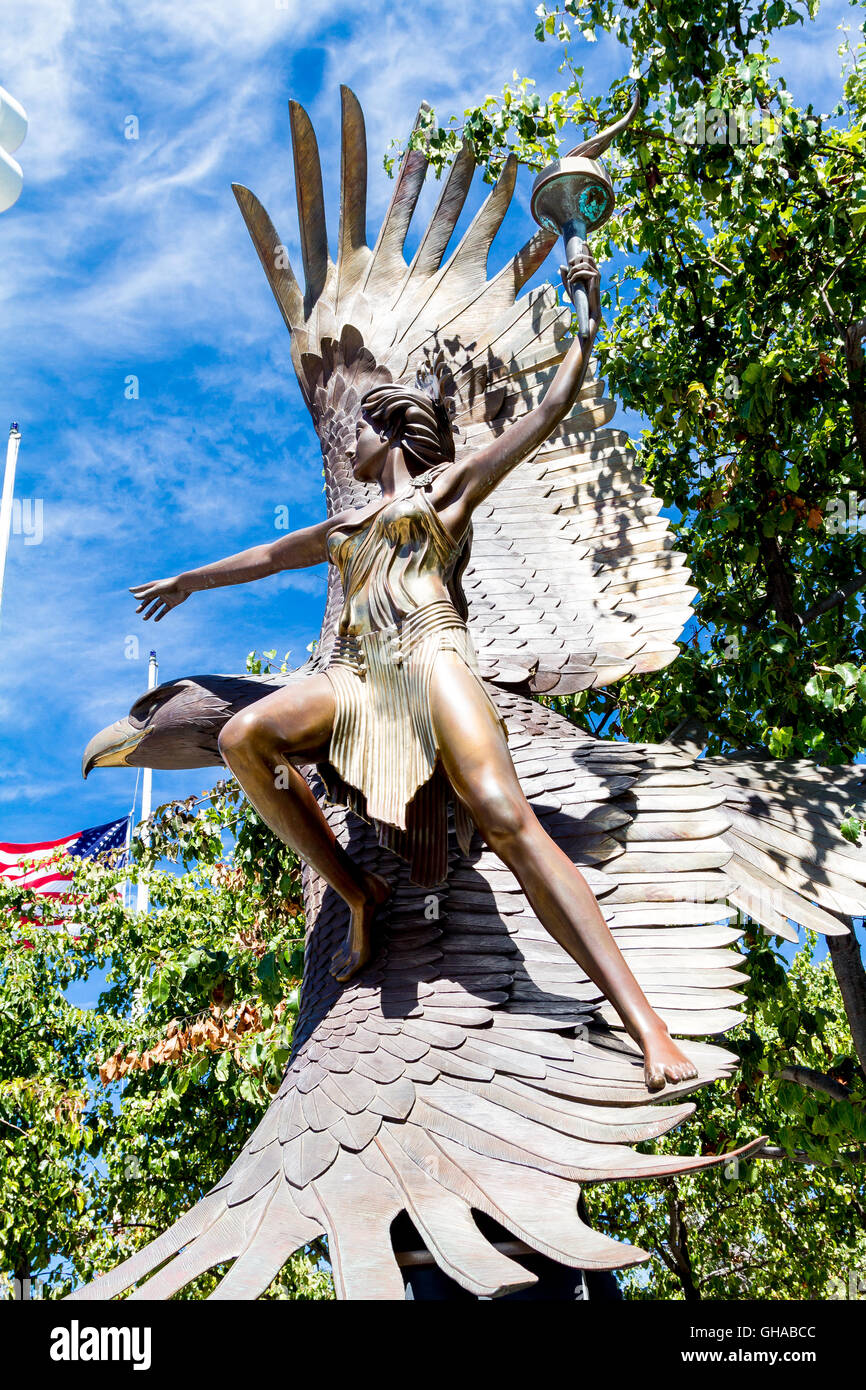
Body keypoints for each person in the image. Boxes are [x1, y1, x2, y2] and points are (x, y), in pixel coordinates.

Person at [130, 253, 697, 1092]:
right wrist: (188, 580)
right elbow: (263, 556)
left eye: (360, 427)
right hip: (357, 679)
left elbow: (549, 409)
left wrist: (584, 309)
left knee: (506, 817)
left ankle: (646, 1027)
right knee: (246, 734)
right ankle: (358, 892)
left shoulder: (444, 496)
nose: (351, 439)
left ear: (391, 433)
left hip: (433, 657)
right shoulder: (342, 526)